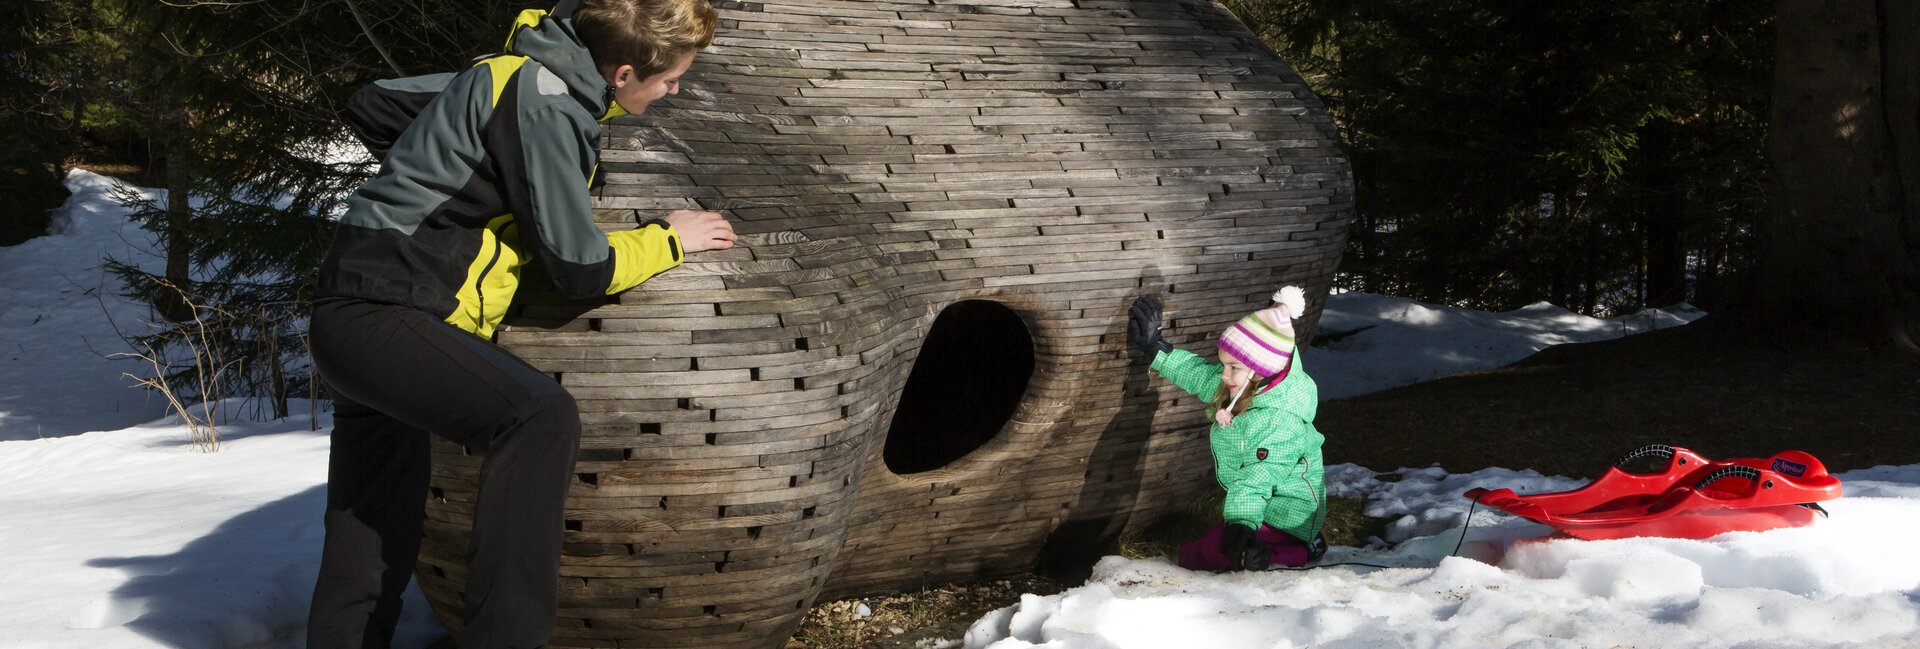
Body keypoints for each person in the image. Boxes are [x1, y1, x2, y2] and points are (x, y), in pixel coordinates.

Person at [304, 1, 732, 647]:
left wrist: (458, 160)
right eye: (671, 78)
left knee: (371, 534)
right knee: (538, 417)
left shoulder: (506, 75)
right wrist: (668, 238)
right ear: (621, 74)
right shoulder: (546, 101)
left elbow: (373, 103)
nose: (674, 89)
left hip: (351, 312)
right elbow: (579, 266)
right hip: (391, 314)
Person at [1127, 286, 1328, 571]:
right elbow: (1202, 377)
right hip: (1265, 504)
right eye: (1224, 364)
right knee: (1222, 544)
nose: (1224, 374)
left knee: (1211, 550)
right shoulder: (1251, 386)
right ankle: (1276, 547)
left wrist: (1241, 524)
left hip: (1289, 511)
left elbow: (1258, 476)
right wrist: (1158, 350)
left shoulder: (1277, 421)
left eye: (1232, 367)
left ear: (1260, 369)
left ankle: (1300, 550)